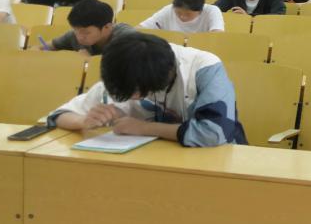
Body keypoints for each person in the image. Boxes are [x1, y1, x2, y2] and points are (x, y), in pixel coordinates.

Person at [47, 33, 247, 147]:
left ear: (168, 73)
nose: (134, 98)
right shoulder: (122, 69)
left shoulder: (204, 67)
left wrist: (143, 128)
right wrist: (85, 121)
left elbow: (214, 132)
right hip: (152, 158)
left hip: (215, 158)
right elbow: (57, 115)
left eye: (140, 92)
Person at [49, 0, 137, 54]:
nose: (80, 37)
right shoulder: (76, 33)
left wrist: (90, 61)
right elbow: (47, 47)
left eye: (86, 33)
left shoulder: (127, 38)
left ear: (107, 27)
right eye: (76, 30)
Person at [140, 0, 224, 33]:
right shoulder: (169, 9)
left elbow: (217, 36)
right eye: (178, 13)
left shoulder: (212, 11)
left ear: (200, 10)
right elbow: (141, 28)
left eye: (188, 14)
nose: (182, 17)